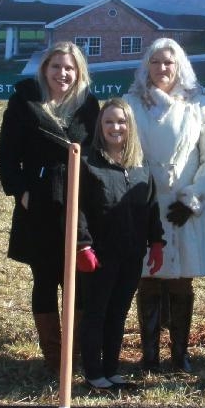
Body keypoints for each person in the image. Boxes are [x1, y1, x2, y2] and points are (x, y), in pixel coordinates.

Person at [0, 42, 100, 375]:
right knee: (44, 280)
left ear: (79, 72)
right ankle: (54, 359)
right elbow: (7, 156)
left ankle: (76, 355)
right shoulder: (24, 102)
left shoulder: (89, 106)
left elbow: (98, 156)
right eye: (56, 67)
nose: (62, 74)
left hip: (81, 209)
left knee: (81, 282)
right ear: (44, 69)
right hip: (39, 205)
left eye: (69, 68)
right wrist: (22, 193)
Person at [125, 38, 205, 373]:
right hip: (143, 202)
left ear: (179, 65)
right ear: (146, 67)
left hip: (184, 205)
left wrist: (194, 196)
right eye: (156, 62)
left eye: (169, 62)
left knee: (182, 280)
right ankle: (150, 354)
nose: (162, 68)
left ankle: (180, 353)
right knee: (148, 278)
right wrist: (136, 197)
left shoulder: (198, 104)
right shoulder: (131, 103)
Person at [75, 99, 166, 391]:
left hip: (132, 254)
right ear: (101, 127)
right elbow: (78, 209)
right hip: (100, 256)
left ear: (130, 127)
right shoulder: (88, 164)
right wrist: (82, 245)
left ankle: (111, 369)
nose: (116, 128)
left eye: (122, 122)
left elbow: (151, 208)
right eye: (109, 122)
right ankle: (93, 371)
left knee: (118, 312)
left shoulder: (140, 167)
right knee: (96, 313)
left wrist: (156, 243)